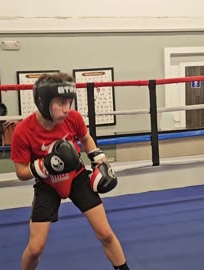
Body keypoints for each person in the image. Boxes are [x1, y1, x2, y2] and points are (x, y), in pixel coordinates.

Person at [10, 72, 130, 270]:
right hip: (47, 184)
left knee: (106, 234)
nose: (67, 109)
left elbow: (86, 138)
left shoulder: (73, 118)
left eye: (70, 102)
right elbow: (21, 172)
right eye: (61, 103)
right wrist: (44, 165)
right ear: (42, 101)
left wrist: (98, 159)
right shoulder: (23, 131)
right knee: (35, 249)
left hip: (76, 177)